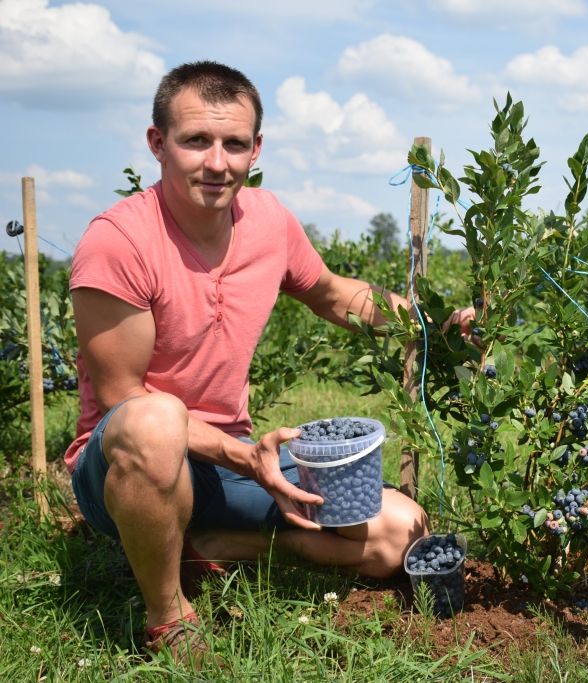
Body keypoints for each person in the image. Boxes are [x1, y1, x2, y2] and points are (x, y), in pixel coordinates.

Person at [64, 60, 473, 664]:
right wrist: (247, 458)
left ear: (256, 148)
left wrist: (432, 321)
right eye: (196, 140)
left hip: (230, 461)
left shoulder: (270, 223)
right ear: (158, 144)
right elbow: (125, 399)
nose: (217, 162)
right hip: (127, 463)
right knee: (156, 421)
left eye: (234, 144)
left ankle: (212, 544)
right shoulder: (118, 242)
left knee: (398, 533)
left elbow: (335, 294)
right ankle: (168, 617)